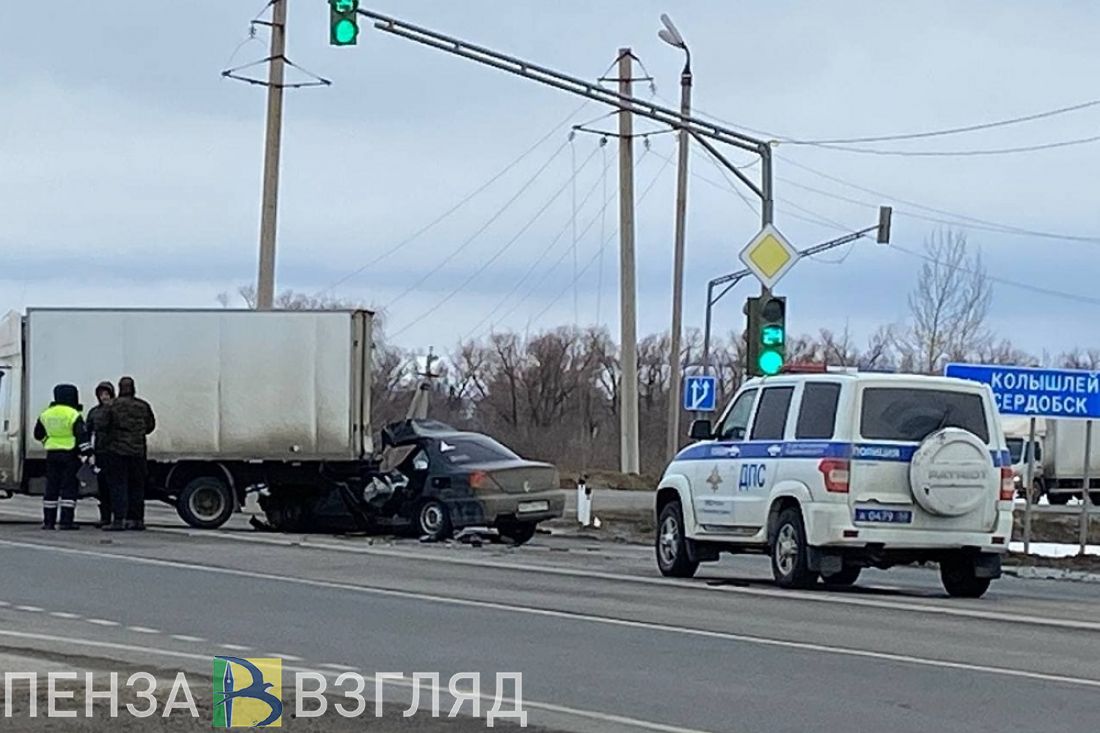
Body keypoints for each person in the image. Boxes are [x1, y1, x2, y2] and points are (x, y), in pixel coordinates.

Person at [33, 384, 92, 530]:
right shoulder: (73, 414)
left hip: (52, 455)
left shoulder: (46, 413)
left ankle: (48, 522)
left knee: (51, 488)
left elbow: (38, 434)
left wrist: (48, 440)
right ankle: (66, 521)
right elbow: (81, 436)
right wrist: (88, 453)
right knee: (68, 488)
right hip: (69, 455)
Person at [107, 376, 155, 530]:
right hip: (138, 452)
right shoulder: (143, 406)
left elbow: (104, 425)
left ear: (120, 388)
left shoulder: (113, 406)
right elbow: (150, 426)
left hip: (117, 452)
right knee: (137, 486)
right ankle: (137, 520)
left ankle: (119, 520)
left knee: (119, 486)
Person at [87, 381, 117, 529]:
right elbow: (88, 429)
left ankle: (115, 516)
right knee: (103, 487)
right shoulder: (94, 412)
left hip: (115, 452)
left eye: (106, 394)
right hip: (100, 452)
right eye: (101, 394)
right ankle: (105, 517)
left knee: (114, 486)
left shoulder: (117, 410)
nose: (104, 397)